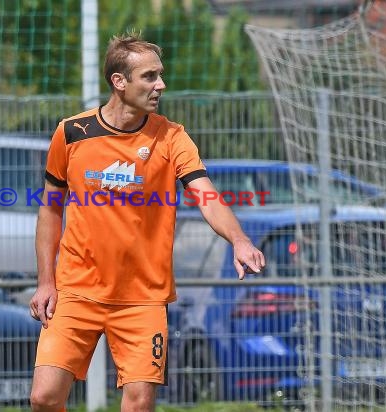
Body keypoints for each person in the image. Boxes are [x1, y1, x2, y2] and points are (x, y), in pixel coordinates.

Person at [29, 31, 266, 412]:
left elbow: (206, 196)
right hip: (76, 289)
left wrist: (238, 239)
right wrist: (45, 281)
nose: (161, 85)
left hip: (142, 298)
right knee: (43, 397)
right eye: (150, 76)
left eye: (161, 75)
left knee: (138, 404)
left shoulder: (172, 138)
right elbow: (50, 209)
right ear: (119, 82)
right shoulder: (72, 133)